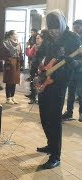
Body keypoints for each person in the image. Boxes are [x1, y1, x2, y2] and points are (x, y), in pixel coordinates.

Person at [37, 9, 81, 169]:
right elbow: (41, 53)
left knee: (54, 118)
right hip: (45, 77)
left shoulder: (73, 38)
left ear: (62, 24)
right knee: (44, 116)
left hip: (60, 82)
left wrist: (73, 62)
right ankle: (50, 145)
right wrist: (38, 67)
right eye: (51, 29)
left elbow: (79, 62)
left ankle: (56, 155)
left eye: (56, 28)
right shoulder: (48, 36)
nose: (53, 32)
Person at [61, 19, 82, 122]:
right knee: (71, 93)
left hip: (80, 71)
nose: (75, 29)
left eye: (78, 27)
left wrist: (77, 62)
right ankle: (69, 112)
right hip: (71, 70)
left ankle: (81, 114)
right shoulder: (72, 39)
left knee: (80, 93)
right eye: (74, 27)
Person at [0, 30, 23, 104]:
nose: (17, 35)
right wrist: (8, 61)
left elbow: (20, 54)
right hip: (9, 63)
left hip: (17, 63)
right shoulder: (6, 43)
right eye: (15, 34)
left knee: (15, 81)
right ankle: (8, 98)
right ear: (10, 35)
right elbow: (2, 54)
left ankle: (12, 96)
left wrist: (21, 63)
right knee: (9, 81)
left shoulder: (18, 43)